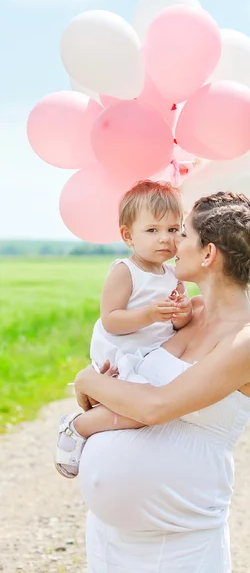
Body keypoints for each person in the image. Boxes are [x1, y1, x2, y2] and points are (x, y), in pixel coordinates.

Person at [74, 191, 250, 572]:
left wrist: (85, 380)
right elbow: (127, 388)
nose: (172, 243)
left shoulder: (249, 341)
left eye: (182, 233)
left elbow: (154, 406)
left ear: (208, 254)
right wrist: (100, 390)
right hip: (110, 540)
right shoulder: (187, 313)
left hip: (181, 545)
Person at [55, 180, 193, 478]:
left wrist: (181, 313)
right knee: (141, 412)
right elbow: (111, 320)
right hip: (123, 354)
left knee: (150, 411)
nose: (165, 239)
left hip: (150, 357)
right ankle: (76, 426)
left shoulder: (174, 275)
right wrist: (149, 314)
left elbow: (176, 324)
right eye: (152, 230)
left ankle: (114, 451)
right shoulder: (126, 271)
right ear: (128, 235)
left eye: (173, 229)